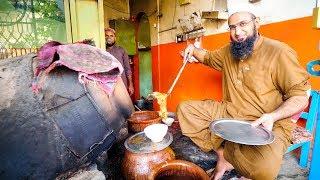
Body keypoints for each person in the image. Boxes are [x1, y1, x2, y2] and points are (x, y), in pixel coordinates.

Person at [178, 10, 311, 180]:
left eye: (243, 24)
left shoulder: (279, 52)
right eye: (232, 27)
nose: (237, 32)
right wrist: (193, 50)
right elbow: (208, 57)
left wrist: (273, 116)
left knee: (265, 170)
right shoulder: (228, 52)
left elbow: (300, 96)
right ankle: (223, 155)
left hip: (268, 119)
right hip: (231, 112)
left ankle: (230, 157)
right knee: (186, 110)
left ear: (257, 23)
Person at [105, 27, 134, 96]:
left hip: (122, 83)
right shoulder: (102, 50)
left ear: (115, 38)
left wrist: (130, 84)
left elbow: (128, 69)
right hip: (107, 84)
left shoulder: (121, 50)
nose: (109, 37)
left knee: (123, 104)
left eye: (111, 36)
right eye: (107, 35)